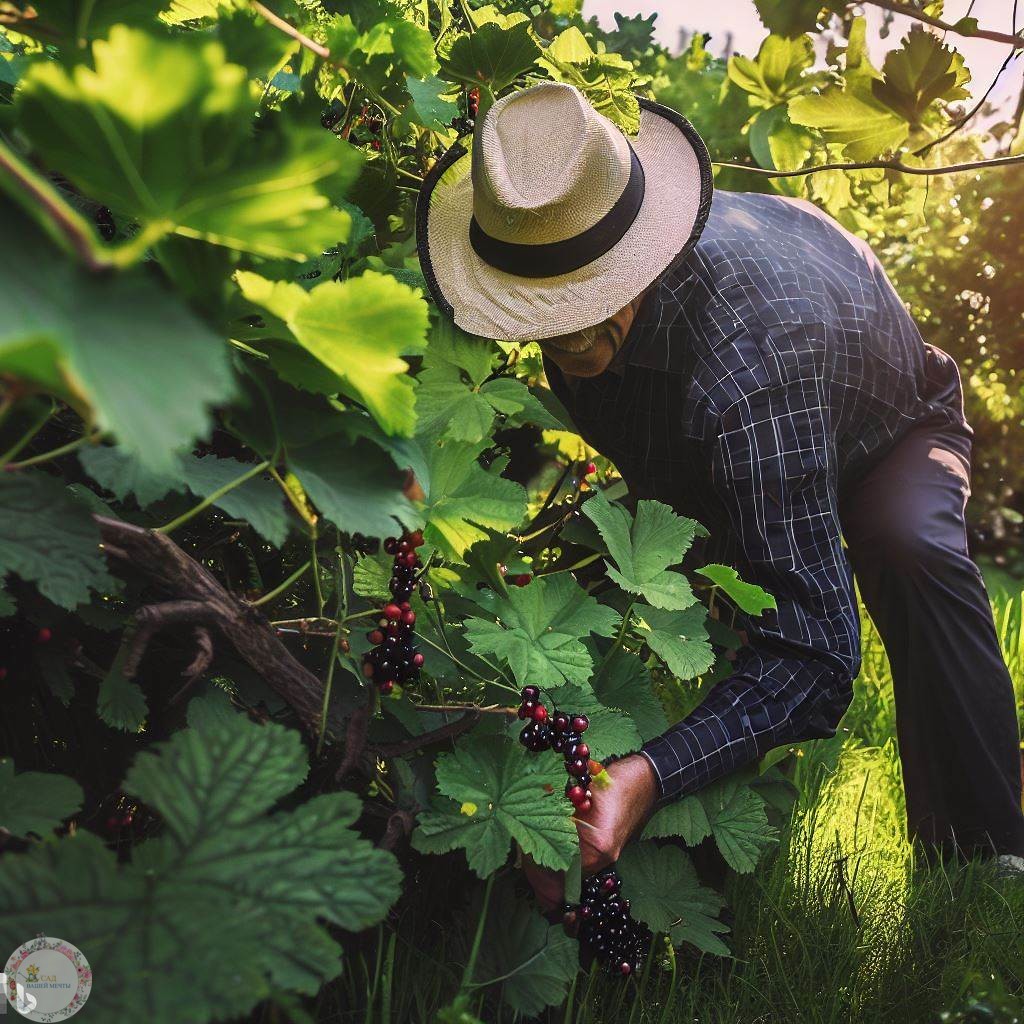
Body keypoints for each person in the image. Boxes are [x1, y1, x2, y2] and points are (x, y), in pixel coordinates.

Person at [415, 81, 1024, 898]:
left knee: (902, 544)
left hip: (891, 423)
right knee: (714, 586)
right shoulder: (564, 259)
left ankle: (986, 851)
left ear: (641, 253)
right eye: (539, 313)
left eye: (590, 304)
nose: (567, 340)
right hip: (734, 419)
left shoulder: (748, 367)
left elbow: (818, 652)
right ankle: (707, 837)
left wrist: (649, 775)